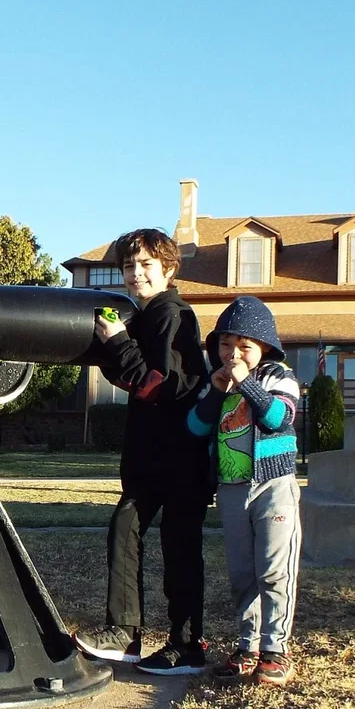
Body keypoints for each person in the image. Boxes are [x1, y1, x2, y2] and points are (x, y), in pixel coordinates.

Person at [75, 228, 213, 675]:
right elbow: (130, 376)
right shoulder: (144, 317)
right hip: (152, 460)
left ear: (169, 270)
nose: (136, 274)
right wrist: (116, 342)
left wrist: (117, 342)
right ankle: (124, 634)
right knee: (125, 531)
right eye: (129, 267)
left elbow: (163, 385)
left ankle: (187, 646)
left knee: (180, 551)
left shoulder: (174, 315)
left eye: (146, 265)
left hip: (181, 460)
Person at [189, 296, 302, 686]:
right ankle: (247, 646)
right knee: (242, 573)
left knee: (273, 570)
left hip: (273, 486)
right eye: (225, 344)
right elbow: (196, 427)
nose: (232, 354)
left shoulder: (278, 376)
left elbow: (277, 417)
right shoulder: (217, 382)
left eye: (244, 347)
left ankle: (276, 650)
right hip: (232, 488)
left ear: (265, 348)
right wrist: (219, 391)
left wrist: (246, 382)